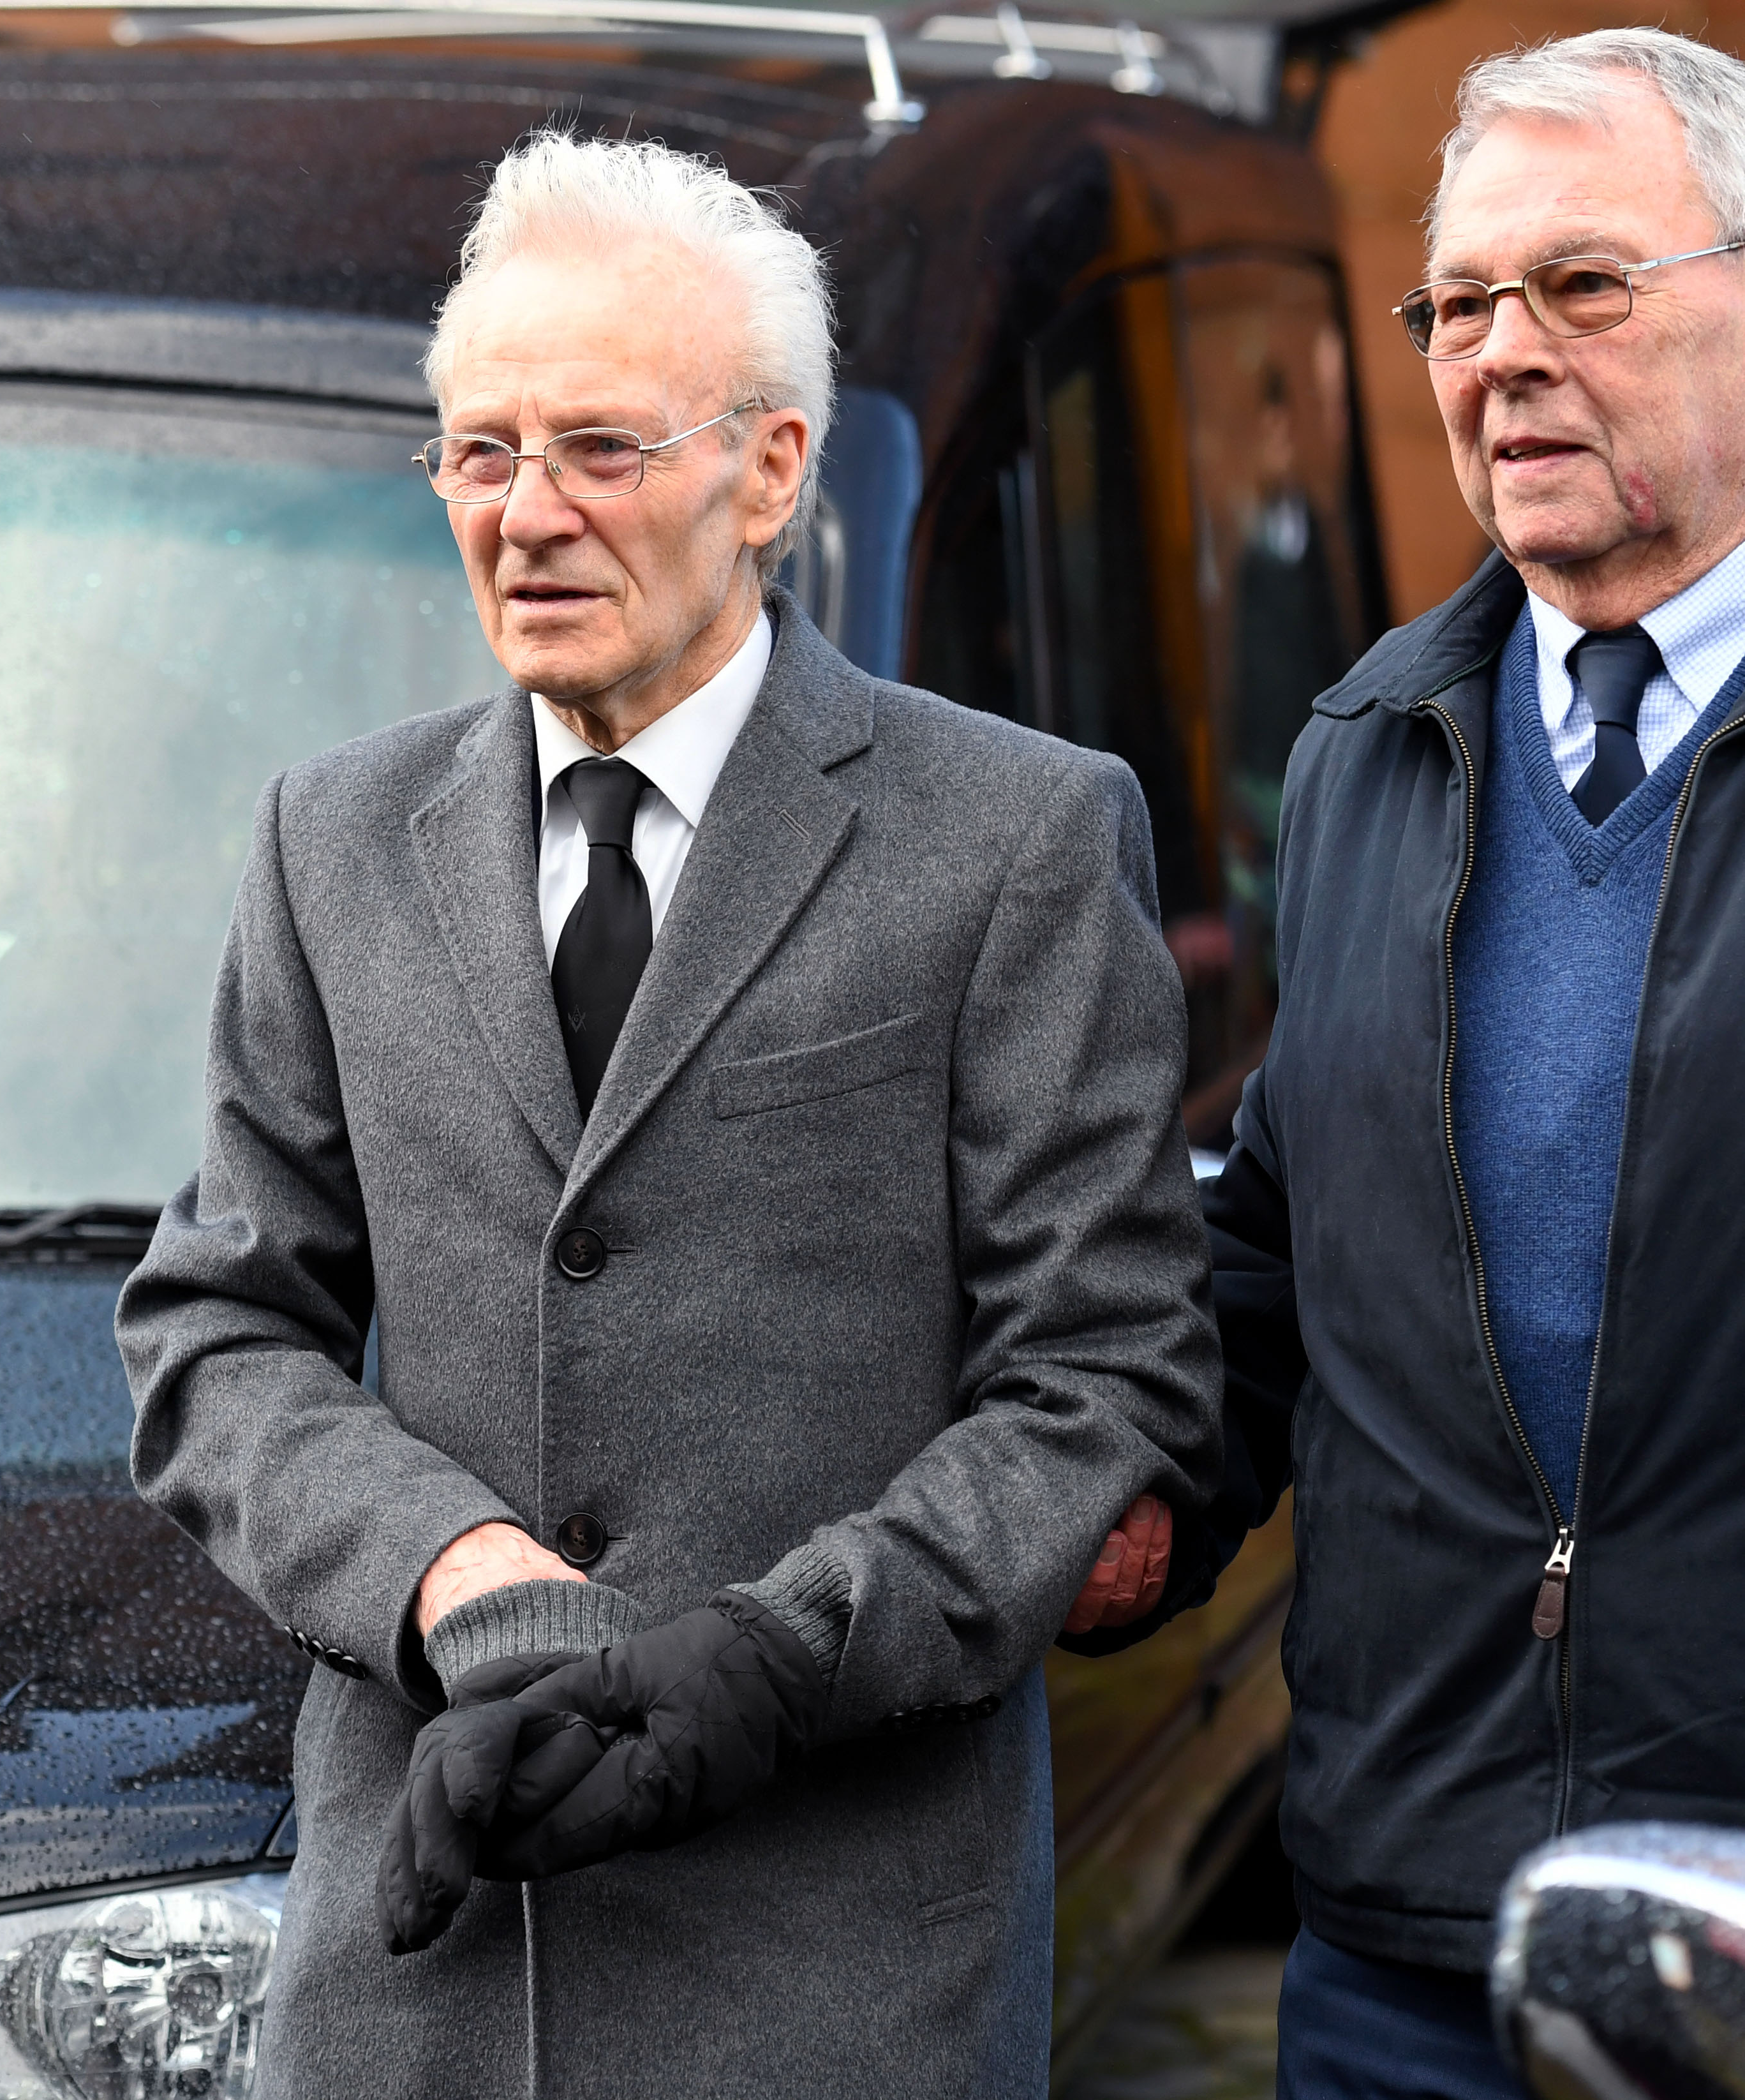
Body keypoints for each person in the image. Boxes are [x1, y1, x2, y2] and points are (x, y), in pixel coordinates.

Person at [115, 131, 1218, 2098]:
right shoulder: (332, 838)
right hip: (423, 1974)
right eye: (480, 452)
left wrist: (781, 1656)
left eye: (600, 450)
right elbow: (213, 1332)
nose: (525, 514)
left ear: (769, 470)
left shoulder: (1021, 837)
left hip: (836, 1986)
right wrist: (463, 1581)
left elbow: (1105, 1380)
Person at [1132, 28, 1745, 2099]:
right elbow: (1295, 1241)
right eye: (1459, 305)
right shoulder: (1371, 752)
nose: (1503, 353)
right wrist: (1108, 1492)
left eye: (1583, 284)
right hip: (1407, 1932)